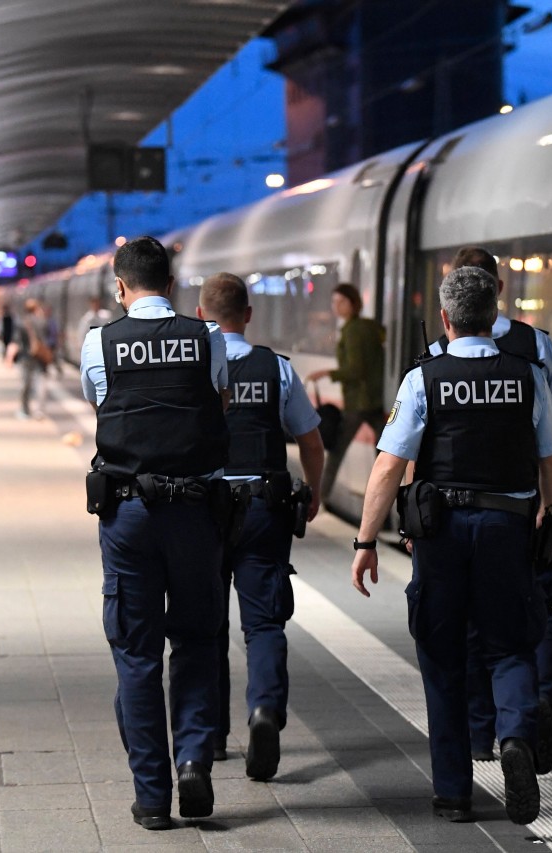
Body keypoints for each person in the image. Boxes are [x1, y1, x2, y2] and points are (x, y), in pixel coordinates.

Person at [351, 265, 552, 825]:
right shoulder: (527, 375)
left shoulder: (424, 378)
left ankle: (453, 793)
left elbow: (387, 467)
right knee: (510, 643)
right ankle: (515, 735)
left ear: (445, 320)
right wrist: (547, 517)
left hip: (441, 534)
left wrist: (365, 539)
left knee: (443, 657)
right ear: (495, 316)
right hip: (507, 528)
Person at [80, 236, 233, 831]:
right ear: (172, 284)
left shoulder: (100, 342)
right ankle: (195, 756)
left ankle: (152, 796)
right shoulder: (209, 339)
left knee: (137, 654)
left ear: (120, 286)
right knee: (196, 639)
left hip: (129, 516)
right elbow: (217, 405)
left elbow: (103, 405)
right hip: (196, 512)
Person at [430, 246, 552, 774]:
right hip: (522, 512)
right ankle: (536, 710)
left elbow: (412, 450)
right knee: (530, 617)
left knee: (472, 628)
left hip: (454, 518)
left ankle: (479, 736)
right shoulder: (535, 347)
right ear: (498, 294)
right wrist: (549, 503)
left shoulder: (437, 354)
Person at [197, 272, 324, 781]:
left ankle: (210, 736)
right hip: (264, 508)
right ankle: (265, 710)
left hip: (205, 509)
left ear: (202, 316)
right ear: (247, 315)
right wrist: (311, 491)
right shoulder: (278, 370)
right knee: (264, 623)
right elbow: (311, 441)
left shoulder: (196, 369)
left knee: (205, 627)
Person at [305, 283, 385, 499]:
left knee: (336, 451)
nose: (336, 307)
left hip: (358, 402)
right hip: (375, 400)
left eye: (341, 302)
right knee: (384, 456)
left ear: (353, 303)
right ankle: (386, 505)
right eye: (333, 302)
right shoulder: (369, 326)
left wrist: (327, 373)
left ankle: (318, 498)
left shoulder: (352, 330)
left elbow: (355, 369)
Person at [4, 298, 50, 419]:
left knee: (25, 384)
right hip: (40, 356)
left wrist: (9, 358)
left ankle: (25, 410)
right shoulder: (43, 321)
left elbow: (15, 342)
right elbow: (49, 341)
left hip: (25, 358)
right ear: (36, 308)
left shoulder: (21, 323)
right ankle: (40, 410)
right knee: (41, 383)